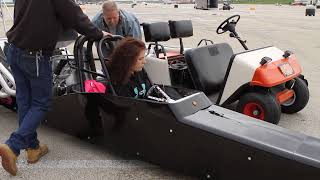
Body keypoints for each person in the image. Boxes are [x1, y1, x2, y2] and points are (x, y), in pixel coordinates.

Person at [0, 0, 109, 176]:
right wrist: (98, 33)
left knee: (25, 101)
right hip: (34, 55)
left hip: (14, 49)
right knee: (42, 103)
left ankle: (32, 147)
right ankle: (13, 145)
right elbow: (75, 16)